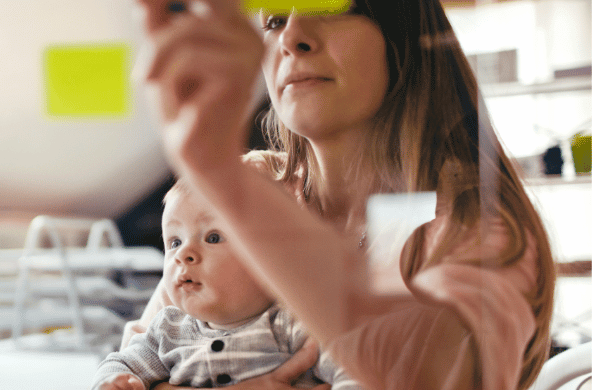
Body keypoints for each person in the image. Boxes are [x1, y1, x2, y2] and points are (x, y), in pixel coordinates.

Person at [126, 1, 556, 389]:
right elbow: (131, 366)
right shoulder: (248, 183)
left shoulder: (470, 222)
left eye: (330, 6)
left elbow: (433, 378)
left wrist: (219, 172)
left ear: (401, 31)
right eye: (275, 20)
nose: (291, 38)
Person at [93, 178, 360, 390]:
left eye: (213, 237)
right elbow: (120, 363)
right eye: (174, 242)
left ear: (271, 262)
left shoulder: (293, 327)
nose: (183, 253)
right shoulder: (167, 330)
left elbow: (355, 373)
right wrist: (115, 382)